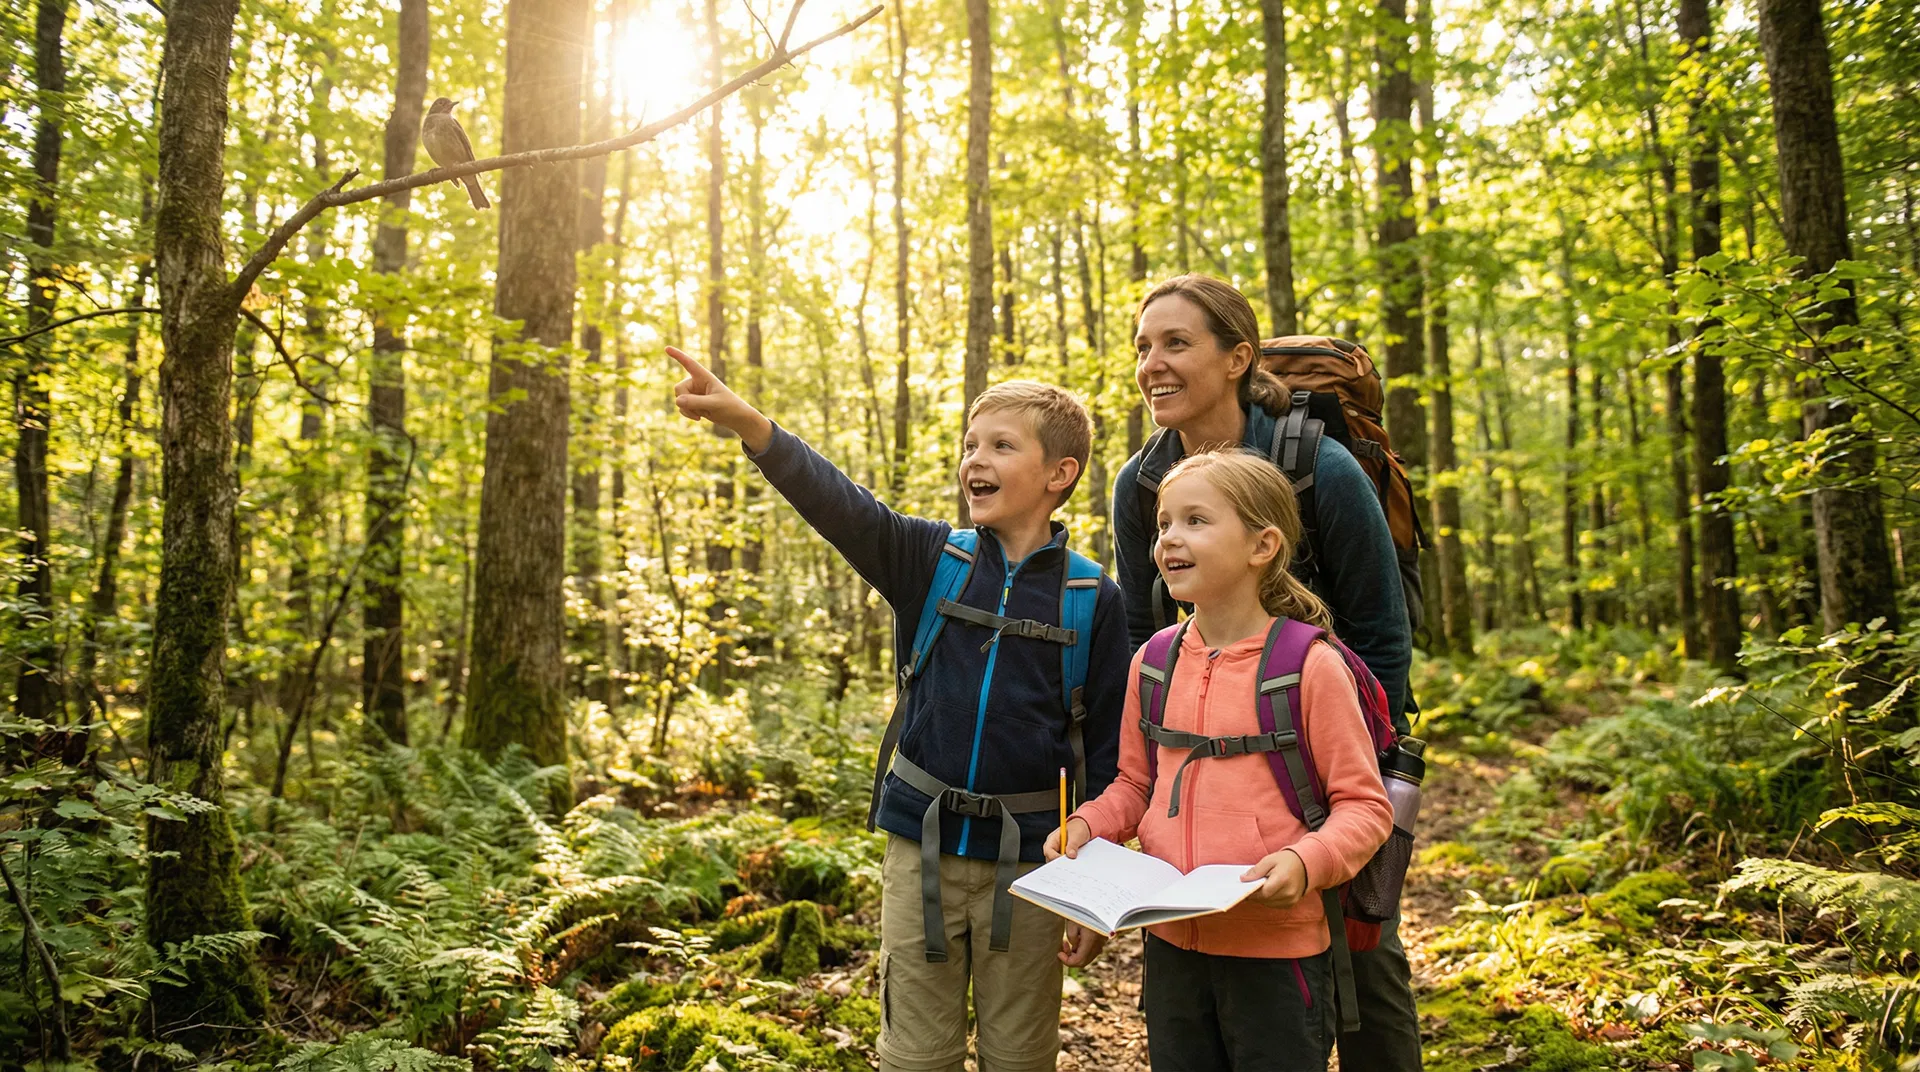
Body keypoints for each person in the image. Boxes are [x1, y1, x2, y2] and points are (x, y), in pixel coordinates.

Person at [668, 347, 1128, 1072]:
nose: (976, 458)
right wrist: (751, 426)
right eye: (971, 444)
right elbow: (839, 505)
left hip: (1035, 867)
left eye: (1002, 445)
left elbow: (1107, 757)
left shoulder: (1093, 600)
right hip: (923, 849)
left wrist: (1094, 893)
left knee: (1021, 1057)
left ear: (1058, 474)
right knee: (916, 1055)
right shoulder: (928, 557)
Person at [1110, 274, 1424, 1068]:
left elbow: (1381, 633)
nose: (1154, 364)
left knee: (1361, 960)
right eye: (1144, 346)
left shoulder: (1320, 467)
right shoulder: (1140, 483)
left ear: (1237, 358)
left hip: (1336, 739)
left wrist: (1363, 774)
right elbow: (1147, 637)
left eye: (1177, 343)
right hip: (1209, 758)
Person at [1050, 450, 1393, 1072]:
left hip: (1279, 951)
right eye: (1163, 524)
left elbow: (1365, 806)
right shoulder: (1152, 662)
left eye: (1196, 521)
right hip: (1171, 946)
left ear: (1263, 545)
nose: (1170, 540)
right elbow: (1135, 784)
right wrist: (1089, 826)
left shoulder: (1309, 667)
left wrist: (1303, 859)